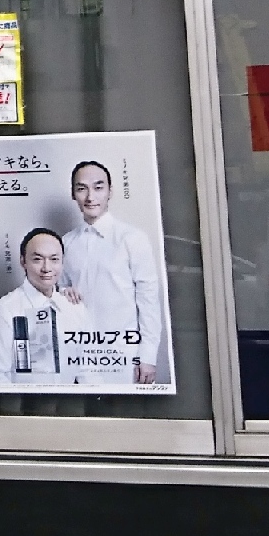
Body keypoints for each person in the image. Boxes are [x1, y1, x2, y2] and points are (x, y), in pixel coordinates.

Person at [58, 160, 168, 385]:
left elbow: (148, 301)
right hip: (78, 356)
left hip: (123, 357)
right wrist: (63, 292)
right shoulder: (65, 243)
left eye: (98, 187)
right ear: (73, 194)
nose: (90, 197)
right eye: (82, 188)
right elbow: (57, 292)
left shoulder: (132, 239)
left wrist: (147, 356)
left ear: (110, 191)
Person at [0, 229, 96, 385]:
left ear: (62, 262)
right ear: (23, 262)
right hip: (24, 399)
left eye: (54, 259)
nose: (46, 268)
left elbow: (88, 369)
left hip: (71, 398)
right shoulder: (5, 311)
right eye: (37, 259)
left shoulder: (74, 307)